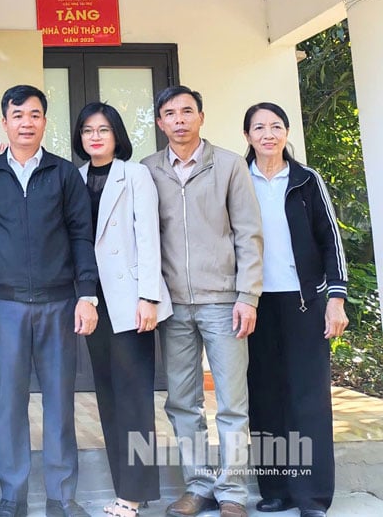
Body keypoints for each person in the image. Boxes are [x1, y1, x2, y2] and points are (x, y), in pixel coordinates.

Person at [0, 85, 99, 517]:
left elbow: (82, 236)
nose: (27, 122)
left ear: (46, 121)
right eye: (18, 115)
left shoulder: (65, 174)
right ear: (4, 122)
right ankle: (12, 496)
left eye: (35, 115)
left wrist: (87, 296)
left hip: (60, 304)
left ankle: (62, 496)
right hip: (4, 305)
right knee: (11, 403)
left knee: (60, 401)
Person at [141, 85, 263, 517]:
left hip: (224, 302)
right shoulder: (148, 169)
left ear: (201, 117)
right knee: (182, 402)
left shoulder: (229, 165)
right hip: (173, 306)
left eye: (186, 111)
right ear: (159, 122)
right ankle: (198, 484)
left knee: (232, 403)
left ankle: (232, 492)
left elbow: (249, 235)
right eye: (170, 113)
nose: (179, 120)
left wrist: (248, 296)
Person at [241, 102, 348, 517]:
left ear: (286, 132)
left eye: (276, 126)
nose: (268, 134)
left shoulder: (306, 180)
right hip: (253, 303)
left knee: (308, 398)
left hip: (305, 302)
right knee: (265, 398)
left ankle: (312, 497)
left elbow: (329, 241)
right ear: (247, 135)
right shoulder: (239, 178)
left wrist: (335, 299)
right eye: (259, 127)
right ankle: (277, 489)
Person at [74, 102, 172, 517]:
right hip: (93, 301)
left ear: (117, 134)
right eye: (87, 130)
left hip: (130, 300)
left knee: (134, 398)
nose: (95, 137)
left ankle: (132, 494)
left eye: (104, 129)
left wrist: (149, 296)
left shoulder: (136, 174)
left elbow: (149, 237)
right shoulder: (74, 178)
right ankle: (130, 486)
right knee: (109, 397)